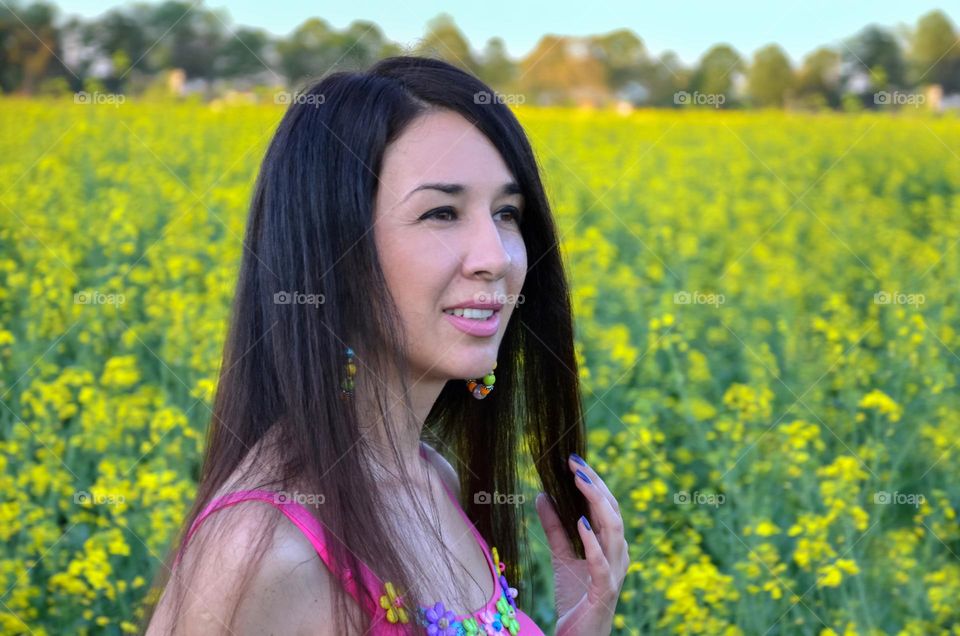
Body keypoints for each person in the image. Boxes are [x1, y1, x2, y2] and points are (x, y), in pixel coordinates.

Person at [140, 55, 629, 635]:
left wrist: (583, 624)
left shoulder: (433, 479)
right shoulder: (266, 554)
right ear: (333, 257)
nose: (496, 256)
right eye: (441, 212)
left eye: (507, 212)